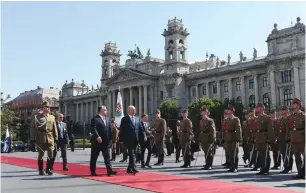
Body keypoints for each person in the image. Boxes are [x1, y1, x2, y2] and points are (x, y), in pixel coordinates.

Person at [30, 101, 58, 175]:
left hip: (50, 138)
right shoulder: (37, 117)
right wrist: (32, 139)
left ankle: (48, 169)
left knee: (51, 154)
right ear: (43, 108)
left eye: (49, 107)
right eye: (46, 107)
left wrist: (56, 138)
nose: (48, 108)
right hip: (40, 137)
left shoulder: (52, 117)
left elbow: (54, 128)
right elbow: (33, 128)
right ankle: (40, 170)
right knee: (41, 154)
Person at [89, 106, 117, 176]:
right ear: (101, 111)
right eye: (105, 110)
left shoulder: (107, 119)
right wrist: (97, 136)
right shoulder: (95, 119)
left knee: (107, 157)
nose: (106, 111)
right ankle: (93, 171)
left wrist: (110, 139)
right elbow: (93, 129)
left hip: (105, 142)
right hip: (97, 142)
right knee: (94, 157)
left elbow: (108, 130)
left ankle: (109, 171)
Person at [254, 103, 275, 175]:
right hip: (258, 137)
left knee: (266, 153)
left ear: (262, 108)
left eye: (258, 107)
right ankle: (262, 168)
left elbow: (270, 130)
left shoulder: (267, 118)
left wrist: (270, 139)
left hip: (264, 137)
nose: (256, 108)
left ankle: (266, 169)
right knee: (261, 154)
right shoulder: (256, 118)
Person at [287, 98, 305, 179]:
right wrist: (288, 138)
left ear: (298, 105)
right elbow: (289, 129)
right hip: (293, 140)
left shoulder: (304, 116)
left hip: (302, 140)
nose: (292, 105)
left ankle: (303, 172)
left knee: (305, 157)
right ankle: (299, 173)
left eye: (294, 104)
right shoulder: (290, 117)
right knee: (297, 158)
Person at [119, 105, 139, 174]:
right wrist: (121, 139)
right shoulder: (124, 119)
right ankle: (133, 168)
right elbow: (122, 129)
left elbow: (139, 129)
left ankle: (129, 168)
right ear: (129, 111)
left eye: (135, 110)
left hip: (136, 139)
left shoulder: (137, 118)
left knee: (133, 154)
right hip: (128, 139)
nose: (134, 111)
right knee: (131, 153)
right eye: (132, 110)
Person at [223, 105, 242, 173]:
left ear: (232, 111)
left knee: (234, 153)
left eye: (229, 110)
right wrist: (224, 138)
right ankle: (231, 166)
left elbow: (238, 129)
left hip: (234, 138)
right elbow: (225, 130)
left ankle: (235, 167)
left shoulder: (236, 119)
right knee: (230, 153)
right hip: (228, 138)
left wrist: (238, 138)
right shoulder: (226, 120)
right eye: (228, 110)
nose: (228, 111)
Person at [277, 106, 293, 174]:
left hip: (287, 137)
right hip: (281, 138)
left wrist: (288, 137)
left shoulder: (289, 118)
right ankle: (286, 166)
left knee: (289, 153)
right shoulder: (280, 119)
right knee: (283, 153)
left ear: (287, 111)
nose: (281, 111)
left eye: (283, 110)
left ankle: (289, 167)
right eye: (281, 110)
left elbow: (288, 129)